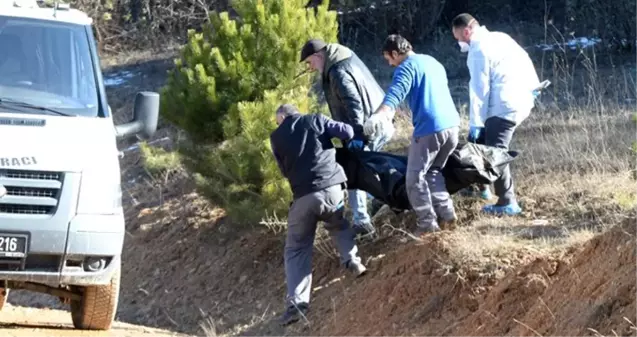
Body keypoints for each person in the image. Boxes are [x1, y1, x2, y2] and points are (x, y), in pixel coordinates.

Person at [270, 104, 367, 326]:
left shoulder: (276, 137)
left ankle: (297, 304)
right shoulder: (315, 119)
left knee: (296, 249)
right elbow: (348, 132)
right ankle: (353, 260)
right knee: (339, 225)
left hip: (303, 197)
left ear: (283, 117)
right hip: (332, 188)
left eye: (278, 121)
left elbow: (283, 171)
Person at [363, 34, 461, 237]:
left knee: (414, 178)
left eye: (389, 58)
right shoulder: (432, 62)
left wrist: (380, 115)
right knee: (433, 172)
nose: (390, 63)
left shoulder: (406, 67)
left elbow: (396, 92)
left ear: (396, 53)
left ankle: (427, 225)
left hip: (430, 128)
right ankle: (448, 216)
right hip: (452, 126)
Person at [299, 38, 394, 239]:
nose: (311, 68)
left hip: (368, 126)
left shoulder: (337, 71)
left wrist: (357, 135)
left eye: (310, 63)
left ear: (317, 56)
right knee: (369, 168)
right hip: (380, 120)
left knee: (354, 172)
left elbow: (353, 103)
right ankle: (384, 198)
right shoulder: (344, 58)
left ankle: (363, 224)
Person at [451, 13, 541, 216]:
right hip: (520, 99)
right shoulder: (500, 37)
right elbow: (524, 59)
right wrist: (532, 87)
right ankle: (481, 188)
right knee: (483, 145)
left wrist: (476, 122)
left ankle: (507, 202)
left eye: (457, 37)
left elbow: (479, 90)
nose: (458, 42)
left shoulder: (477, 49)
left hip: (503, 104)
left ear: (466, 30)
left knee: (496, 152)